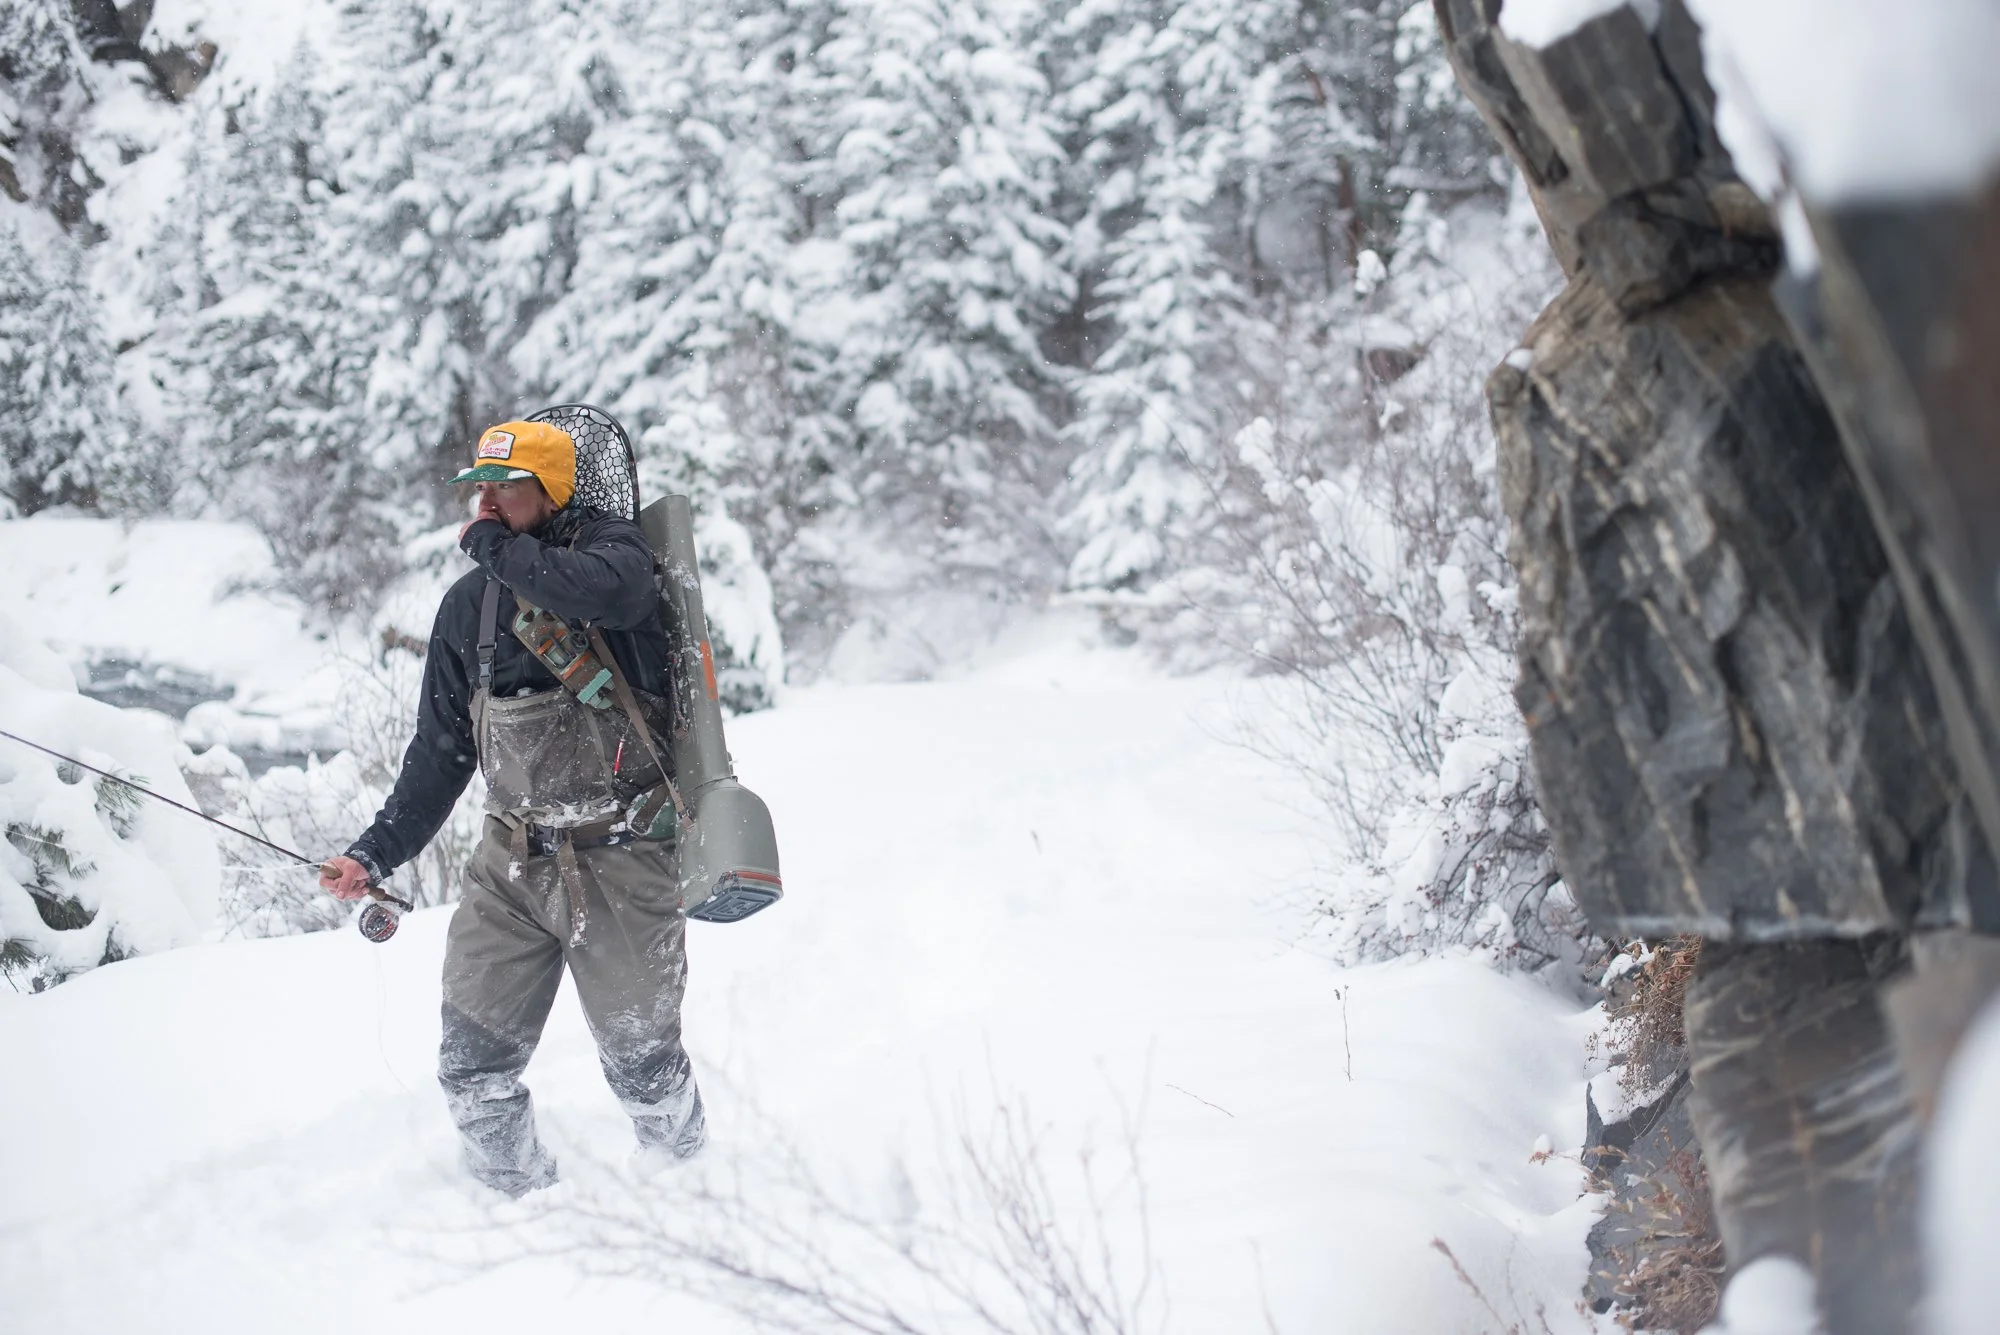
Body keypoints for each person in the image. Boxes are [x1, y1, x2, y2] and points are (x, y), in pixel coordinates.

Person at [319, 419, 703, 1196]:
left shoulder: (618, 560)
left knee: (645, 1065)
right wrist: (375, 851)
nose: (486, 503)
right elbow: (439, 753)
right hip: (511, 864)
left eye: (506, 487)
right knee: (472, 1065)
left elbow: (601, 590)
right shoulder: (469, 610)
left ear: (552, 490)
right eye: (478, 490)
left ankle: (691, 1191)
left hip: (623, 853)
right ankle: (516, 1205)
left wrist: (488, 544)